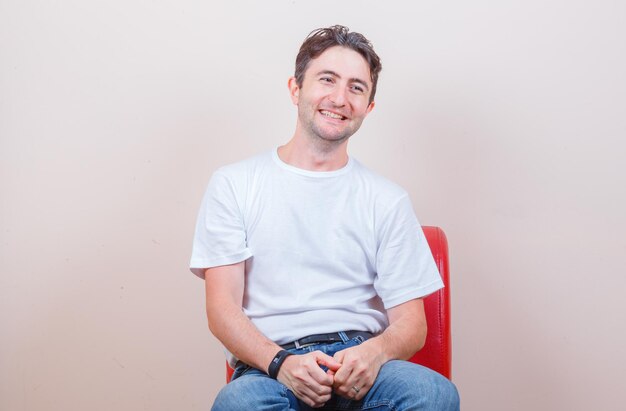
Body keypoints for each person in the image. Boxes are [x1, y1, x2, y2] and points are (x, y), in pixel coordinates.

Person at [190, 25, 460, 410]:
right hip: (271, 367)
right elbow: (222, 309)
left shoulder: (387, 200)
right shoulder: (234, 184)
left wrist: (375, 353)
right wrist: (281, 363)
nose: (340, 98)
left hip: (362, 363)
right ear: (295, 89)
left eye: (356, 87)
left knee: (433, 393)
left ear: (369, 107)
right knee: (239, 404)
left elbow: (412, 324)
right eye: (327, 80)